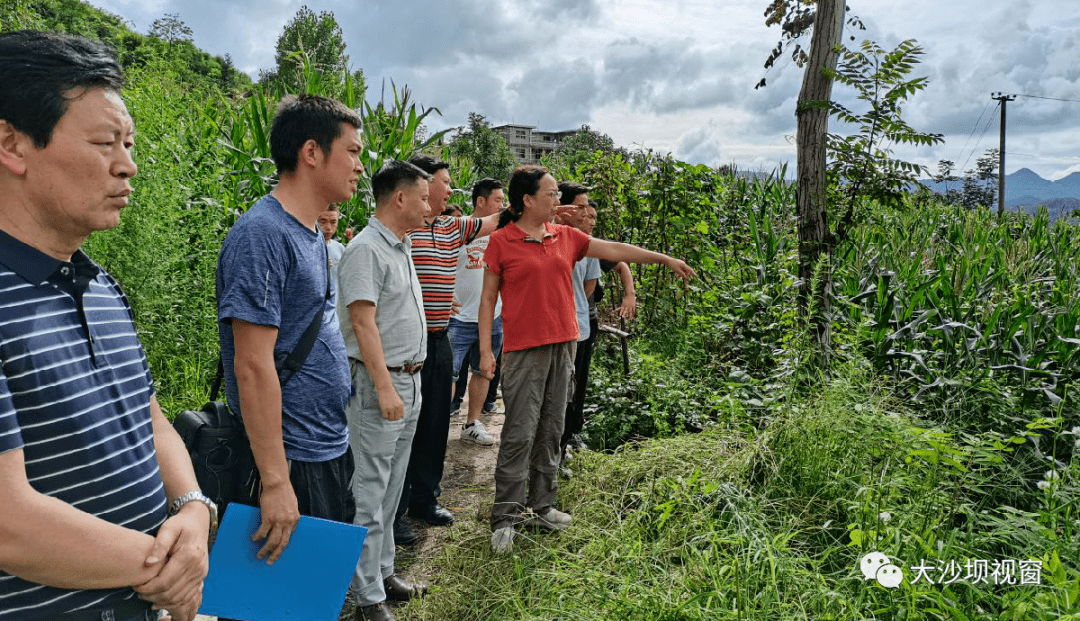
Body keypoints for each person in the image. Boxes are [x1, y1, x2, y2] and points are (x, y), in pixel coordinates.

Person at [0, 31, 211, 621]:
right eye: (104, 143)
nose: (128, 165)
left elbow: (149, 418)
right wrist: (170, 566)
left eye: (129, 142)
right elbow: (8, 523)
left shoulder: (101, 285)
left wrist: (192, 510)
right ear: (12, 144)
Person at [479, 166, 695, 553]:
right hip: (524, 351)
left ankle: (543, 506)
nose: (557, 201)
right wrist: (484, 350)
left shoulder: (566, 237)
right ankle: (505, 518)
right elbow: (487, 300)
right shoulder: (503, 241)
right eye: (550, 194)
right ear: (527, 200)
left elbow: (615, 250)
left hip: (565, 345)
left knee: (551, 429)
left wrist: (665, 259)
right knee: (519, 433)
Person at [216, 95, 358, 581]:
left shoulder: (311, 232)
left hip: (325, 447)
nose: (360, 165)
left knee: (315, 596)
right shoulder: (264, 235)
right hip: (290, 458)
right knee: (278, 602)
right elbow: (252, 365)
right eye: (353, 152)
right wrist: (276, 482)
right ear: (312, 153)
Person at [338, 161, 432, 621]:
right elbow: (362, 322)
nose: (429, 205)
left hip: (409, 380)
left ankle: (384, 572)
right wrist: (385, 387)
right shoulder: (366, 250)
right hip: (383, 385)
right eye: (423, 196)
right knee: (371, 492)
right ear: (399, 198)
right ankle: (367, 597)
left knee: (393, 487)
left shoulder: (400, 246)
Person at [393, 155, 500, 542]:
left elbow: (493, 222)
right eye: (445, 182)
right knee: (407, 428)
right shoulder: (405, 230)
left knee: (437, 422)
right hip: (407, 344)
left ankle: (425, 498)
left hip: (441, 338)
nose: (450, 189)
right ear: (421, 186)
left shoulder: (454, 227)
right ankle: (396, 510)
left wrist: (531, 204)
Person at [562, 200, 638, 457]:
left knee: (577, 383)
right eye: (586, 213)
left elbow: (621, 263)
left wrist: (630, 294)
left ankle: (570, 435)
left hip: (584, 321)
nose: (591, 219)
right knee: (565, 384)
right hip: (569, 323)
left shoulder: (590, 247)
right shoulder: (561, 240)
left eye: (593, 214)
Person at [448, 179, 507, 447]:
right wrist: (444, 295)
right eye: (498, 200)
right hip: (457, 319)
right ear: (481, 201)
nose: (503, 206)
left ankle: (471, 423)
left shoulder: (502, 235)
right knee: (448, 374)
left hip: (492, 317)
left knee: (483, 371)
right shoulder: (458, 230)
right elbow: (440, 265)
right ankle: (437, 424)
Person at [319, 204, 347, 327]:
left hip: (336, 317)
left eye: (333, 222)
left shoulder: (339, 248)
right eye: (323, 222)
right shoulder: (307, 248)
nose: (328, 228)